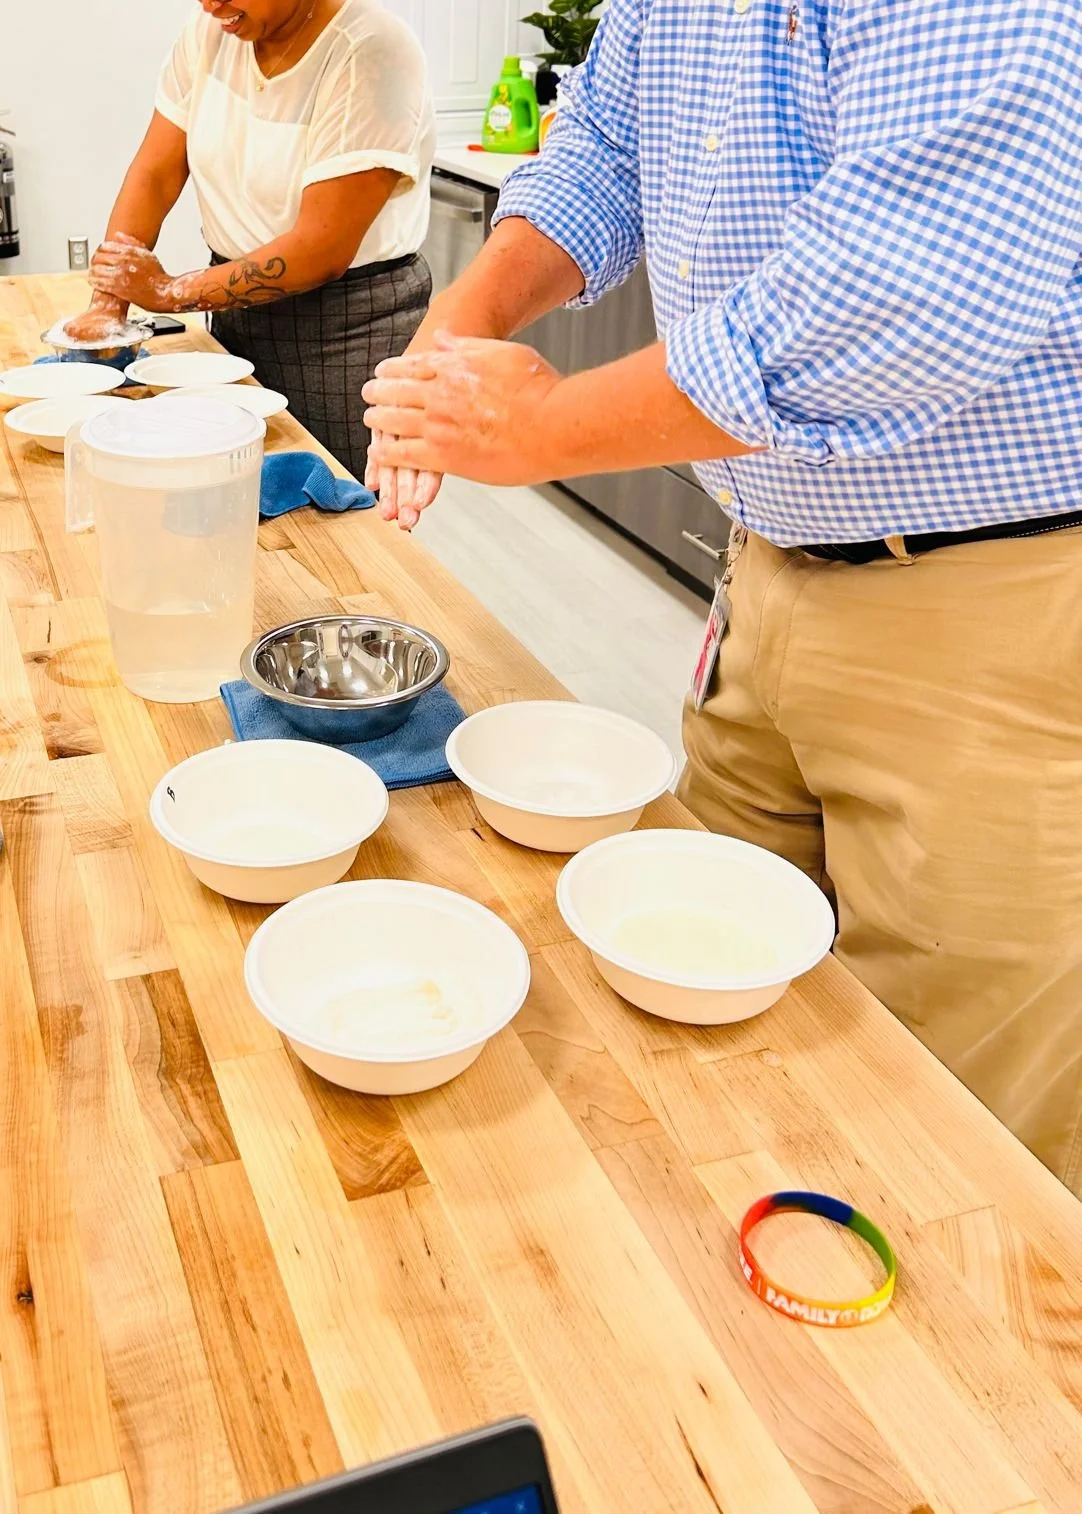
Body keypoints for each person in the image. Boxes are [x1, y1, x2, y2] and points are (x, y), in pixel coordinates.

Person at [362, 0, 1082, 1197]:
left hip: (990, 599)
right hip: (769, 559)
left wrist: (539, 425)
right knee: (708, 987)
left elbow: (894, 292)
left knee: (952, 1124)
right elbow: (598, 144)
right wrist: (463, 318)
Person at [68, 0, 435, 479]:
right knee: (230, 493)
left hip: (348, 331)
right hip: (237, 312)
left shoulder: (372, 50)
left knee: (339, 522)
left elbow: (321, 249)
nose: (209, 3)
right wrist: (109, 299)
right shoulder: (210, 32)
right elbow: (156, 174)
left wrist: (167, 292)